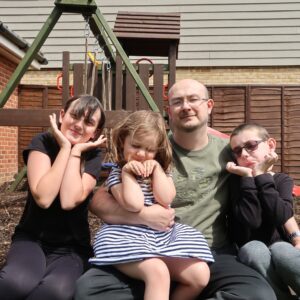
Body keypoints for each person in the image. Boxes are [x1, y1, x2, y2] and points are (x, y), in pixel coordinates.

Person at [75, 79, 276, 300]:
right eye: (178, 101)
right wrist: (143, 217)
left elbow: (260, 171)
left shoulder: (230, 152)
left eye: (193, 99)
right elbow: (98, 201)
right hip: (141, 247)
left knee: (259, 295)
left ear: (209, 105)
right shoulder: (151, 144)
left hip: (209, 251)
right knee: (88, 291)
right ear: (169, 110)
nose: (186, 106)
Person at [89, 110, 214, 300]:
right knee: (158, 272)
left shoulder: (162, 171)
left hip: (160, 238)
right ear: (123, 142)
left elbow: (166, 198)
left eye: (149, 149)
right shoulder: (118, 174)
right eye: (136, 146)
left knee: (200, 274)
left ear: (158, 151)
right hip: (125, 239)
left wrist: (157, 170)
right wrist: (128, 174)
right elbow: (134, 204)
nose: (141, 154)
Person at [0, 95, 106, 300]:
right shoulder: (42, 142)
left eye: (89, 122)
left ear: (96, 132)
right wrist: (65, 149)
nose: (78, 125)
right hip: (32, 239)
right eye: (74, 116)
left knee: (53, 293)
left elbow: (68, 201)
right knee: (14, 284)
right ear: (61, 115)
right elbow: (44, 198)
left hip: (72, 248)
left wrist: (75, 153)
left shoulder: (93, 156)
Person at [226, 123, 300, 299]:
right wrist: (248, 177)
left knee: (283, 250)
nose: (244, 154)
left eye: (251, 146)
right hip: (247, 248)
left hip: (280, 246)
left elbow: (281, 215)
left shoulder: (282, 180)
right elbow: (252, 220)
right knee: (255, 249)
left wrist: (261, 175)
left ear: (271, 145)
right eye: (237, 151)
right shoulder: (236, 183)